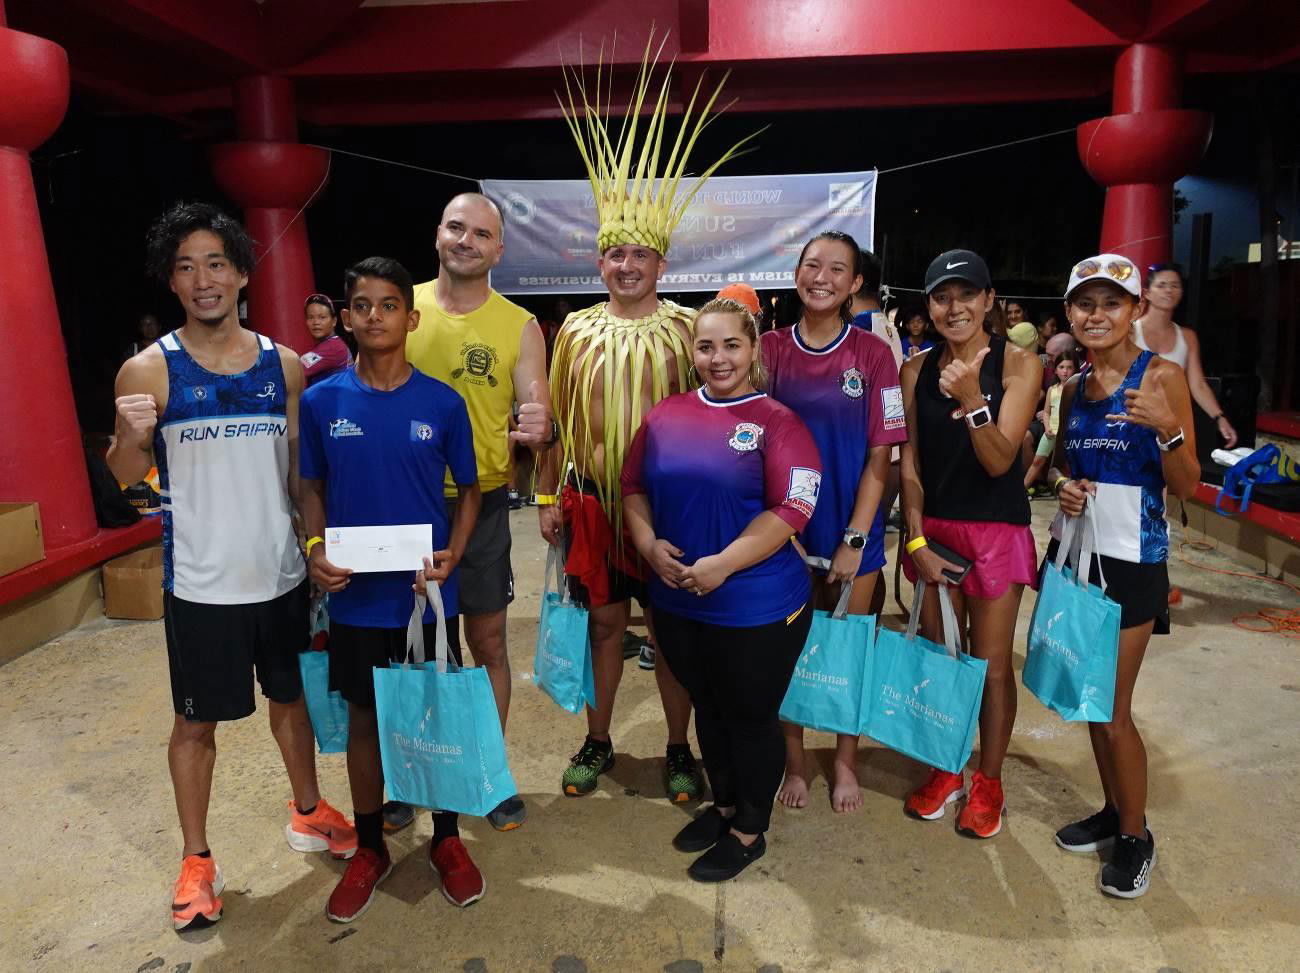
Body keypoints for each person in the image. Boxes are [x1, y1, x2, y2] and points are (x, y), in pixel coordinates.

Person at [108, 203, 356, 933]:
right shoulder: (148, 369)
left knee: (292, 702)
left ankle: (307, 811)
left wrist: (315, 546)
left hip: (280, 575)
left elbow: (299, 475)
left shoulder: (284, 365)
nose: (203, 279)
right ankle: (196, 860)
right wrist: (129, 436)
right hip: (200, 585)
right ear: (172, 281)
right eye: (186, 267)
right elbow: (123, 478)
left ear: (243, 272)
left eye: (216, 262)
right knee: (195, 726)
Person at [540, 50, 755, 801]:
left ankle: (676, 747)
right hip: (595, 507)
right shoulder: (574, 330)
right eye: (613, 253)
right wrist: (549, 496)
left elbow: (724, 411)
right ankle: (597, 739)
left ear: (661, 261)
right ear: (599, 262)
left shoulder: (690, 329)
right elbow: (558, 424)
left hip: (670, 512)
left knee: (670, 633)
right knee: (603, 627)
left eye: (638, 253)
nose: (625, 263)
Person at [300, 257, 484, 921]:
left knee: (436, 714)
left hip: (424, 597)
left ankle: (447, 838)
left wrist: (454, 552)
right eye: (362, 305)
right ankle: (372, 845)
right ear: (345, 318)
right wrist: (315, 550)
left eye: (388, 305)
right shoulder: (322, 402)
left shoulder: (442, 403)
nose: (374, 316)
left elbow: (471, 491)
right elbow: (310, 487)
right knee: (365, 720)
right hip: (356, 598)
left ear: (411, 317)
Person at [622, 298, 821, 881]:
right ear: (693, 352)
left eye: (731, 344)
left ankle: (750, 829)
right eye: (706, 346)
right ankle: (726, 804)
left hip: (756, 606)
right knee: (708, 707)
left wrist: (724, 565)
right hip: (678, 599)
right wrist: (647, 544)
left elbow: (793, 508)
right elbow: (632, 486)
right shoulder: (665, 416)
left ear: (753, 348)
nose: (718, 357)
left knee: (751, 715)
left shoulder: (778, 422)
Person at [1047, 254, 1198, 898]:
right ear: (1069, 313)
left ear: (1136, 310)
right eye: (1085, 304)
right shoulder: (1074, 388)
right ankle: (1113, 811)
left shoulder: (1162, 376)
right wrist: (1064, 486)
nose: (1097, 315)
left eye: (1112, 303)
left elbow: (1187, 486)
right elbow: (1062, 462)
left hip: (1135, 561)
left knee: (1112, 708)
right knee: (1088, 699)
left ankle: (1136, 836)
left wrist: (1169, 432)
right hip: (1078, 554)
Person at [404, 191, 554, 832]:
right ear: (438, 234)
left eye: (481, 234)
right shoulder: (400, 307)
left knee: (487, 642)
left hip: (482, 503)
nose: (466, 241)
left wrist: (541, 428)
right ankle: (411, 774)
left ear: (499, 250)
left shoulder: (518, 325)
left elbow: (537, 413)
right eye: (456, 227)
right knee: (410, 646)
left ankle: (488, 771)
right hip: (404, 504)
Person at [897, 248, 1041, 839]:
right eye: (941, 297)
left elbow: (1001, 460)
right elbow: (910, 460)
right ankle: (947, 766)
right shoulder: (914, 369)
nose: (953, 308)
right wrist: (914, 539)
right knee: (941, 660)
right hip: (936, 532)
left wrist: (971, 400)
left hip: (996, 530)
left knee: (991, 667)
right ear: (929, 306)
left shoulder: (1019, 364)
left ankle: (989, 780)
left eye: (966, 295)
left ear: (989, 301)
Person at [763, 231, 906, 813]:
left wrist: (855, 538)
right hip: (782, 536)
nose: (821, 277)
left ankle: (845, 761)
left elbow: (881, 457)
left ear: (855, 283)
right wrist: (776, 532)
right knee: (786, 650)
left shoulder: (873, 354)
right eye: (811, 265)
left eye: (837, 269)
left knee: (848, 650)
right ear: (796, 272)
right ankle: (795, 762)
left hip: (852, 530)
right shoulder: (768, 350)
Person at [1134, 262, 1238, 448]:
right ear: (1147, 293)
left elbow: (1198, 385)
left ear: (1181, 292)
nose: (1169, 290)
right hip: (1131, 423)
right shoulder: (1130, 331)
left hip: (1170, 427)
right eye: (1161, 285)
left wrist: (1219, 417)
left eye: (1175, 285)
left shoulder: (1188, 337)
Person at [1023, 353, 1077, 492]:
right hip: (1052, 431)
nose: (1065, 371)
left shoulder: (1077, 389)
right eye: (1061, 367)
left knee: (1071, 465)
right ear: (1056, 370)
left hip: (1070, 434)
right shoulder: (1052, 390)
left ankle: (1072, 492)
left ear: (1074, 370)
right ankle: (1022, 491)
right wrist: (1047, 427)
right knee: (1037, 461)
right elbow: (1046, 412)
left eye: (1069, 367)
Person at [301, 293, 352, 386]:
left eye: (322, 317)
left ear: (334, 321)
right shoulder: (332, 344)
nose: (316, 322)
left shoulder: (333, 347)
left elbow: (293, 370)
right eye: (310, 317)